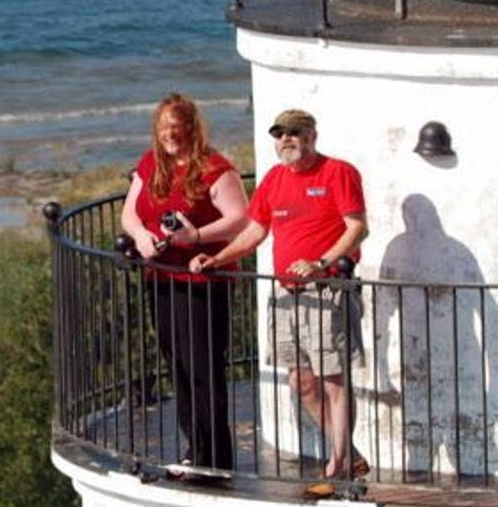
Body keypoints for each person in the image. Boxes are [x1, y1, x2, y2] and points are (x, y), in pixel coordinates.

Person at [199, 108, 369, 482]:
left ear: (312, 136)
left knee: (333, 380)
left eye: (295, 133)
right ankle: (350, 454)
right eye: (280, 134)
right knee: (301, 382)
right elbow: (255, 231)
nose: (286, 140)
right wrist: (217, 258)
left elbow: (357, 228)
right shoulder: (275, 179)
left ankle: (339, 463)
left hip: (326, 290)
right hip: (287, 294)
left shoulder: (338, 172)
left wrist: (321, 262)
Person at [120, 93, 250, 481]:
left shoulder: (214, 167)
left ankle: (215, 458)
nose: (170, 136)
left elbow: (240, 218)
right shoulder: (150, 164)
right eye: (163, 129)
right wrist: (142, 237)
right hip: (160, 275)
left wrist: (194, 237)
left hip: (201, 280)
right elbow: (130, 211)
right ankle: (195, 449)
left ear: (192, 128)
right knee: (176, 363)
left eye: (176, 128)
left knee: (202, 368)